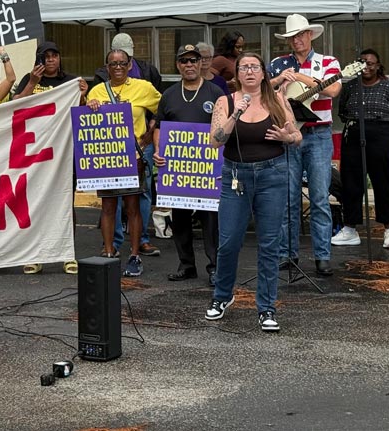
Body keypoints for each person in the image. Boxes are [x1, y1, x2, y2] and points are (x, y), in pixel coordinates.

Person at [205, 52, 301, 333]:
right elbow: (215, 141)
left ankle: (267, 307)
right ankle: (222, 296)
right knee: (229, 241)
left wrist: (287, 137)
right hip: (236, 175)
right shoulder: (226, 101)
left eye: (254, 67)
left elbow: (296, 136)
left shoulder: (278, 100)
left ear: (262, 73)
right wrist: (237, 113)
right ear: (237, 74)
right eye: (244, 67)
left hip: (272, 175)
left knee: (270, 243)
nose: (249, 72)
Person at [268, 14, 341, 277]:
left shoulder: (327, 62)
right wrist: (279, 81)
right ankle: (288, 254)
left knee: (320, 196)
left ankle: (322, 255)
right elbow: (262, 91)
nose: (297, 40)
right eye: (292, 37)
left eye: (301, 35)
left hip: (319, 134)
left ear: (311, 35)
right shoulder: (278, 64)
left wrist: (300, 77)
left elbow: (333, 91)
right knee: (288, 197)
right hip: (289, 134)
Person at [13, 40, 88, 275]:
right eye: (46, 56)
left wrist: (84, 97)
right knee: (36, 202)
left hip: (64, 150)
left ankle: (67, 253)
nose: (51, 60)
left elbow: (82, 113)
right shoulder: (29, 79)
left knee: (65, 201)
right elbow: (14, 107)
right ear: (39, 60)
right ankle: (36, 254)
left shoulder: (71, 82)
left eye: (55, 55)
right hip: (35, 151)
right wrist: (32, 83)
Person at [86, 48, 161, 278]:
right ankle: (109, 252)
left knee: (133, 206)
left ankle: (135, 254)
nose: (118, 67)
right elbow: (88, 122)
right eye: (113, 64)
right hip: (106, 157)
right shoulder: (97, 90)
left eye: (122, 63)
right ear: (106, 67)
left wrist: (149, 134)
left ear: (130, 65)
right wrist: (90, 106)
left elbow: (164, 110)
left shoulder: (143, 87)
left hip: (135, 156)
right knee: (108, 206)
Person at [153, 45, 224, 285]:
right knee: (180, 218)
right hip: (177, 170)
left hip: (206, 170)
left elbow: (225, 128)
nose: (189, 65)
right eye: (184, 61)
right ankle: (186, 265)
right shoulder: (169, 94)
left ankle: (215, 266)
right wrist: (158, 151)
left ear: (201, 63)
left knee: (210, 220)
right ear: (178, 65)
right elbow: (160, 127)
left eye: (193, 60)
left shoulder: (215, 93)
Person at [331, 49, 389, 249]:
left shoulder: (388, 87)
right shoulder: (350, 88)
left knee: (384, 183)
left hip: (381, 137)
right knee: (351, 184)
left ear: (378, 66)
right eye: (363, 62)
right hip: (354, 136)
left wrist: (384, 132)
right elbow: (343, 112)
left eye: (371, 63)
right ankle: (350, 228)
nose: (366, 66)